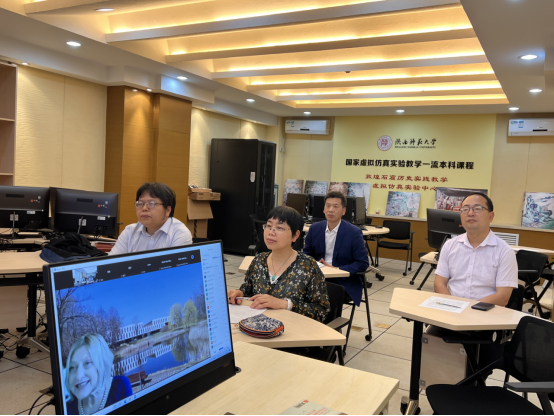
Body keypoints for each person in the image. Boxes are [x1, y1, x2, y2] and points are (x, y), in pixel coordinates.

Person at [228, 206, 330, 323]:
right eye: (268, 226)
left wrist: (285, 304)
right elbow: (247, 291)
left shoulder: (307, 266)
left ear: (295, 235)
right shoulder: (259, 260)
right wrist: (239, 294)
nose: (271, 232)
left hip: (292, 329)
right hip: (257, 327)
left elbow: (322, 311)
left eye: (279, 228)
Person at [434, 193, 518, 306]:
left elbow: (502, 297)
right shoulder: (450, 245)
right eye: (465, 209)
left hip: (485, 312)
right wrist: (452, 306)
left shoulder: (505, 251)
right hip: (451, 309)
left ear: (491, 216)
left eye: (477, 208)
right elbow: (439, 283)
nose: (470, 213)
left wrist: (466, 310)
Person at [303, 191, 369, 306]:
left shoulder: (354, 232)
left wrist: (337, 268)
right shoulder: (315, 228)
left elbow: (363, 263)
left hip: (342, 279)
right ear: (324, 209)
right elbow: (306, 255)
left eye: (335, 206)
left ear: (344, 211)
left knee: (324, 294)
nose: (330, 210)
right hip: (318, 276)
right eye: (328, 206)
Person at [109, 182, 192, 255]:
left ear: (167, 210)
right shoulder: (129, 232)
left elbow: (173, 267)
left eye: (151, 203)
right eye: (140, 203)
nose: (144, 208)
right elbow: (112, 264)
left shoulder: (179, 234)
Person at [65, 334, 132, 415]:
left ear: (102, 364)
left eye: (87, 363)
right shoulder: (67, 408)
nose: (78, 376)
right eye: (72, 367)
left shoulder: (121, 386)